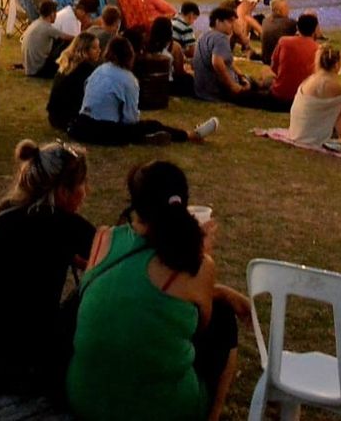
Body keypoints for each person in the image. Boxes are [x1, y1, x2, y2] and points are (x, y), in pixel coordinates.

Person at [65, 160, 248, 421]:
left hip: (84, 399)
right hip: (162, 411)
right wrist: (197, 254)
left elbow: (136, 291)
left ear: (135, 202)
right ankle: (212, 414)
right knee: (224, 322)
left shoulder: (103, 238)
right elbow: (201, 326)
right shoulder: (198, 265)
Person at [0, 139, 94, 393]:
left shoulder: (7, 211)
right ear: (63, 191)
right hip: (17, 362)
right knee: (94, 295)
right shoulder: (65, 225)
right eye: (82, 184)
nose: (86, 192)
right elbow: (115, 259)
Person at [69, 37, 217, 145]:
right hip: (104, 131)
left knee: (136, 128)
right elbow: (130, 119)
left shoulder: (98, 70)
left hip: (81, 126)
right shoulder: (128, 79)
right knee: (151, 125)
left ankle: (146, 137)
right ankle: (190, 135)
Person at [192, 6, 281, 109]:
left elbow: (226, 62)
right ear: (218, 22)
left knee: (258, 81)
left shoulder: (204, 36)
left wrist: (240, 75)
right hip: (219, 91)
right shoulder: (220, 38)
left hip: (203, 90)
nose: (233, 26)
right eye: (230, 22)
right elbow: (217, 63)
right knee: (268, 92)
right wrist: (232, 85)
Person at [267, 12, 322, 110]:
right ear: (315, 30)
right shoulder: (318, 50)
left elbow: (274, 68)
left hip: (279, 96)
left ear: (297, 28)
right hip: (304, 99)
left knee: (265, 79)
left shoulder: (284, 42)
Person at [49, 32, 101, 130]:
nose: (99, 51)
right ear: (84, 50)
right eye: (94, 48)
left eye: (98, 47)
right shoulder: (85, 69)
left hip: (54, 117)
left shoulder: (66, 64)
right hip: (69, 119)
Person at [22, 0, 75, 78]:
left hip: (30, 68)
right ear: (52, 14)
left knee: (58, 42)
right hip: (38, 70)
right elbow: (68, 38)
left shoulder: (36, 23)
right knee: (66, 44)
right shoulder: (47, 28)